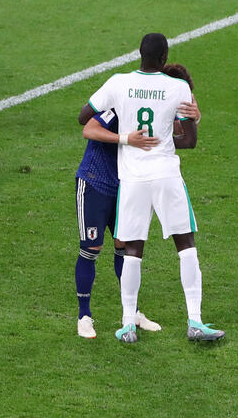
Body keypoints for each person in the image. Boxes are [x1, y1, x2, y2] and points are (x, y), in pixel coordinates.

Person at [78, 34, 223, 343]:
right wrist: (195, 119)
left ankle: (128, 324)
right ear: (164, 58)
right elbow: (190, 142)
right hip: (166, 174)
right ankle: (195, 321)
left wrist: (127, 135)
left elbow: (83, 117)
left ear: (139, 54)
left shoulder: (119, 82)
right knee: (186, 246)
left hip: (132, 178)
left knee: (132, 250)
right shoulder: (178, 87)